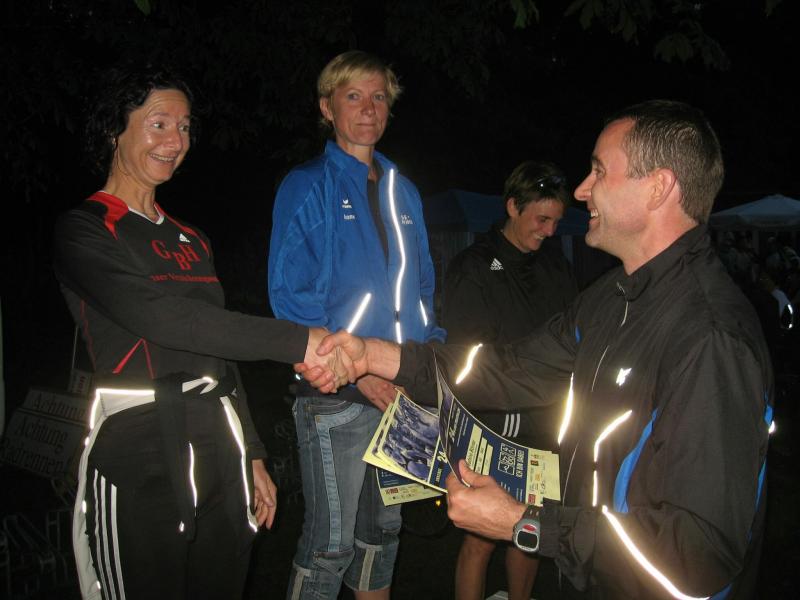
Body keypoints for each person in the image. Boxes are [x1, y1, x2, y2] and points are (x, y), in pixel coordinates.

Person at [300, 100, 774, 598]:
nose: (582, 190)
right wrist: (374, 355)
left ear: (658, 187)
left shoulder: (710, 337)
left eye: (599, 171)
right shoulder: (613, 298)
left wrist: (524, 523)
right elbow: (512, 367)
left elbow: (698, 554)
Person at [53, 64, 345, 600]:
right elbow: (161, 317)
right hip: (139, 440)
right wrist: (299, 340)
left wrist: (251, 451)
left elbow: (218, 348)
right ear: (114, 130)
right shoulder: (86, 229)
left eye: (185, 127)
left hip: (217, 431)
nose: (176, 141)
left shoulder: (192, 238)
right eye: (159, 124)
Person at [267, 50, 445, 600]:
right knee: (330, 547)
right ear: (327, 108)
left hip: (402, 395)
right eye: (353, 96)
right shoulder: (308, 184)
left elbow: (422, 289)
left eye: (379, 97)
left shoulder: (402, 189)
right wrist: (360, 373)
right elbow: (289, 295)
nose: (369, 109)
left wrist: (424, 367)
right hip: (336, 395)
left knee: (383, 535)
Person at [442, 160, 577, 600]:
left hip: (546, 425)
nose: (550, 231)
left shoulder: (555, 265)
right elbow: (467, 359)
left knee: (529, 530)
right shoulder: (475, 266)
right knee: (479, 540)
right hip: (494, 427)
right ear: (513, 206)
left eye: (556, 222)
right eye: (542, 219)